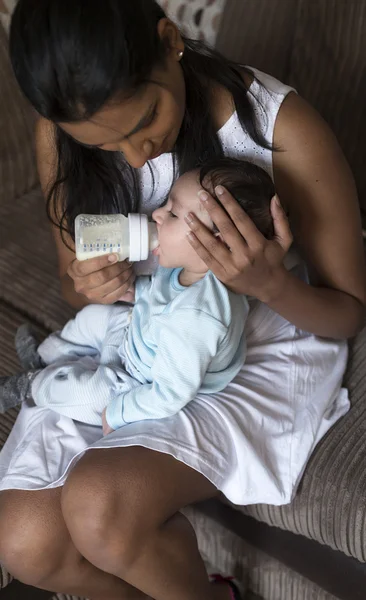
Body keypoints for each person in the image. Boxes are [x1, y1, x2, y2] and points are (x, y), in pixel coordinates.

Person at [0, 1, 364, 600]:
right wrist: (92, 283)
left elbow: (349, 308)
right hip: (140, 330)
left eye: (145, 118)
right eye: (105, 145)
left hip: (254, 342)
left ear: (170, 39)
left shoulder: (280, 128)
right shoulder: (60, 129)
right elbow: (74, 280)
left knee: (100, 508)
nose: (138, 158)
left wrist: (269, 284)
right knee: (25, 541)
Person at [0, 159, 275, 433]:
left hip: (140, 378)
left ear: (219, 240)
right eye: (166, 204)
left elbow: (170, 394)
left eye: (173, 214)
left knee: (92, 394)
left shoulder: (199, 317)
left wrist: (118, 412)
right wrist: (133, 291)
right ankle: (45, 356)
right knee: (95, 315)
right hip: (138, 338)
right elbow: (156, 296)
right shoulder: (184, 266)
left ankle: (29, 385)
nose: (157, 214)